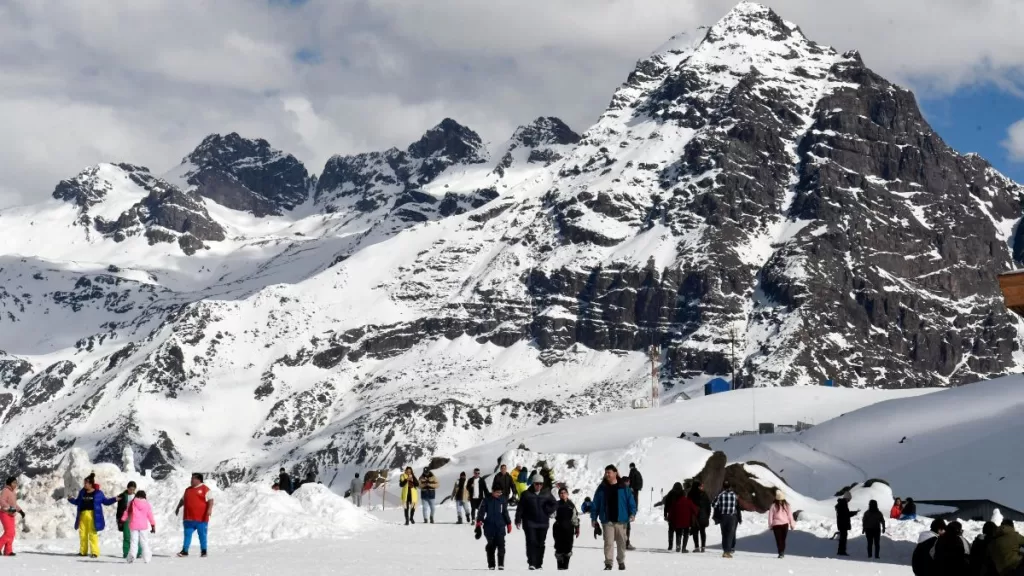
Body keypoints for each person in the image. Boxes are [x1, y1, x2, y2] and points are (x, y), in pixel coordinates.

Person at [590, 464, 636, 571]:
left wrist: (632, 513)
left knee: (621, 543)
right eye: (605, 473)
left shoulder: (624, 488)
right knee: (608, 543)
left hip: (621, 520)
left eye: (608, 472)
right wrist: (593, 518)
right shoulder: (602, 488)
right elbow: (595, 504)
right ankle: (608, 563)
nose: (606, 475)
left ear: (615, 473)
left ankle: (621, 561)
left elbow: (631, 503)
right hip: (607, 520)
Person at [68, 473, 117, 558]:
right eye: (84, 483)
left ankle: (95, 552)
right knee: (82, 534)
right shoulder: (82, 492)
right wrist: (71, 499)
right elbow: (77, 502)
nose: (84, 485)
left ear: (91, 484)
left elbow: (106, 502)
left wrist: (115, 499)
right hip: (82, 515)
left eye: (86, 483)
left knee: (92, 534)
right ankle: (83, 552)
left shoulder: (98, 493)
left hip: (93, 516)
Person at [515, 474, 557, 570]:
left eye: (540, 484)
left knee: (541, 543)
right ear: (533, 484)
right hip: (529, 522)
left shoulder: (546, 493)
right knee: (531, 542)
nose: (538, 486)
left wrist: (548, 510)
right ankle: (532, 563)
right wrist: (518, 519)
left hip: (543, 523)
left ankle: (539, 564)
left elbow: (555, 504)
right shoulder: (526, 494)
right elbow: (520, 508)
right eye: (537, 484)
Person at [174, 472, 215, 558]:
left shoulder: (205, 489)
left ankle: (204, 551)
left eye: (193, 479)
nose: (191, 480)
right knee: (187, 535)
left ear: (198, 480)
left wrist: (209, 509)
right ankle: (185, 551)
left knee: (202, 535)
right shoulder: (187, 490)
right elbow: (182, 500)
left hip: (201, 518)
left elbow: (211, 500)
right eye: (191, 478)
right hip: (188, 518)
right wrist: (178, 507)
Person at [476, 484, 512, 570]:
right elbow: (481, 512)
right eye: (497, 492)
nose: (499, 494)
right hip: (489, 527)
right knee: (491, 546)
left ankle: (501, 564)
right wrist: (478, 523)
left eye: (500, 492)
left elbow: (505, 512)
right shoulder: (486, 500)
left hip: (500, 526)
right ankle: (491, 565)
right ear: (493, 491)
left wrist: (508, 523)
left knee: (501, 545)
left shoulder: (502, 500)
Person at [120, 490, 156, 564]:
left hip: (134, 525)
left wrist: (122, 520)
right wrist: (153, 525)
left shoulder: (132, 503)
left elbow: (126, 512)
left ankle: (132, 555)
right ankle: (147, 558)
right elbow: (150, 515)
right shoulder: (147, 504)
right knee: (144, 542)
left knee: (134, 541)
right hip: (143, 526)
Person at [667, 482, 699, 553]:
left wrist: (669, 518)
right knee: (686, 534)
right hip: (687, 522)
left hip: (678, 521)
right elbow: (695, 510)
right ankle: (684, 548)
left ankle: (678, 546)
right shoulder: (689, 501)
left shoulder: (675, 502)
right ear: (685, 495)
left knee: (678, 533)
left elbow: (671, 511)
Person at [552, 486, 580, 570]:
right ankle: (560, 566)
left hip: (569, 529)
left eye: (564, 493)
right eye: (561, 493)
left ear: (567, 494)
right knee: (559, 547)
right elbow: (552, 514)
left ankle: (566, 567)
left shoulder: (571, 505)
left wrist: (577, 528)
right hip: (558, 529)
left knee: (568, 548)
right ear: (559, 495)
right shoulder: (556, 504)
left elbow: (575, 518)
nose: (563, 494)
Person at [713, 480, 741, 558]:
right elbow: (737, 505)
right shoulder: (734, 495)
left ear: (723, 486)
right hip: (732, 517)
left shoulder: (720, 495)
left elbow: (714, 504)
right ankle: (727, 551)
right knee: (730, 534)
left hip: (723, 517)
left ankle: (725, 550)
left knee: (724, 534)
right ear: (729, 486)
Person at [115, 481, 142, 560]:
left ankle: (138, 552)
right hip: (126, 518)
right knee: (127, 536)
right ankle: (126, 552)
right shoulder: (123, 496)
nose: (132, 491)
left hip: (135, 518)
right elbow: (119, 509)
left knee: (136, 536)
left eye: (133, 489)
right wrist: (119, 519)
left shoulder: (138, 497)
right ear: (127, 488)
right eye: (130, 489)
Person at [1, 476, 25, 557]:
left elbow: (14, 504)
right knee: (8, 532)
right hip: (5, 513)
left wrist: (20, 510)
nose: (15, 484)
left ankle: (8, 551)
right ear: (9, 483)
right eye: (13, 482)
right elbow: (2, 501)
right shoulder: (6, 490)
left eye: (16, 482)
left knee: (12, 533)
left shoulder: (13, 492)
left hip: (11, 514)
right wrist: (9, 508)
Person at [768, 490, 796, 559]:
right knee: (779, 539)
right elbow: (770, 516)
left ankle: (781, 552)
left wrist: (792, 524)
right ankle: (781, 552)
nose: (780, 501)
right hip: (778, 525)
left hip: (782, 525)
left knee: (782, 539)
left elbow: (790, 516)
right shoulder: (774, 506)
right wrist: (770, 525)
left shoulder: (785, 505)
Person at [688, 480, 711, 553]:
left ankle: (697, 547)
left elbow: (688, 506)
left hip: (694, 516)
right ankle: (703, 547)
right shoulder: (704, 494)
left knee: (695, 531)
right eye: (701, 486)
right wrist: (707, 515)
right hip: (703, 516)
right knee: (702, 531)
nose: (702, 487)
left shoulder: (690, 494)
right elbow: (708, 506)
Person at [835, 492, 858, 557]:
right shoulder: (843, 504)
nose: (849, 501)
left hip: (841, 524)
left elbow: (845, 514)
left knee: (842, 538)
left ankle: (841, 551)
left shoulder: (841, 504)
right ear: (847, 498)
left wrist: (854, 512)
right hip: (843, 524)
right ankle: (842, 551)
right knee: (843, 538)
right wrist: (854, 513)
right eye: (849, 499)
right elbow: (846, 514)